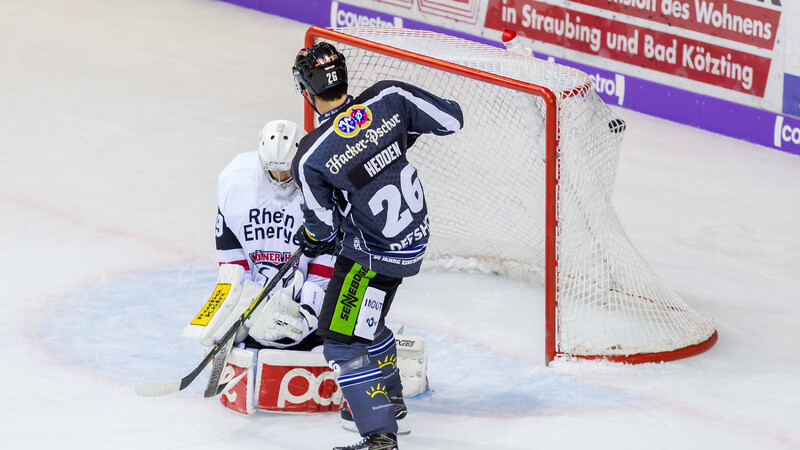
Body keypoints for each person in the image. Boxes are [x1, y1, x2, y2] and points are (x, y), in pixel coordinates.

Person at [291, 42, 463, 450]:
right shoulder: (389, 96)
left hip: (372, 254)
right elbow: (451, 119)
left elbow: (324, 232)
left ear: (307, 92)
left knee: (340, 338)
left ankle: (380, 436)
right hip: (413, 241)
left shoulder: (311, 156)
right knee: (366, 322)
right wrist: (392, 137)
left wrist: (310, 239)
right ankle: (391, 401)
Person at [185, 119, 339, 415]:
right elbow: (231, 260)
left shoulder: (322, 183)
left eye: (287, 171)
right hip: (258, 294)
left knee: (321, 339)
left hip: (301, 294)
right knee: (232, 331)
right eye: (273, 171)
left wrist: (308, 309)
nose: (281, 178)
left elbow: (327, 262)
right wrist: (238, 306)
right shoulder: (235, 180)